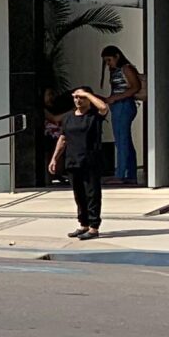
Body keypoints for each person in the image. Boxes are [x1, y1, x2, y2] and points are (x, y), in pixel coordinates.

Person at [48, 86, 112, 240]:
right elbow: (63, 138)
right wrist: (54, 158)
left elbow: (104, 107)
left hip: (91, 160)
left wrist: (87, 94)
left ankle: (94, 227)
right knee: (79, 195)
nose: (78, 100)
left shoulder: (94, 115)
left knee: (92, 194)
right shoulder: (68, 117)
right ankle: (83, 224)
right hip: (73, 160)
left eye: (81, 97)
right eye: (76, 97)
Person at [99, 46, 146, 184]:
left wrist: (116, 97)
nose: (108, 63)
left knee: (122, 140)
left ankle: (121, 173)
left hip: (124, 104)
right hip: (119, 105)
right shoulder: (116, 70)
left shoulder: (126, 68)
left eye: (109, 60)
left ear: (117, 56)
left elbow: (135, 87)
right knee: (124, 139)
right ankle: (129, 173)